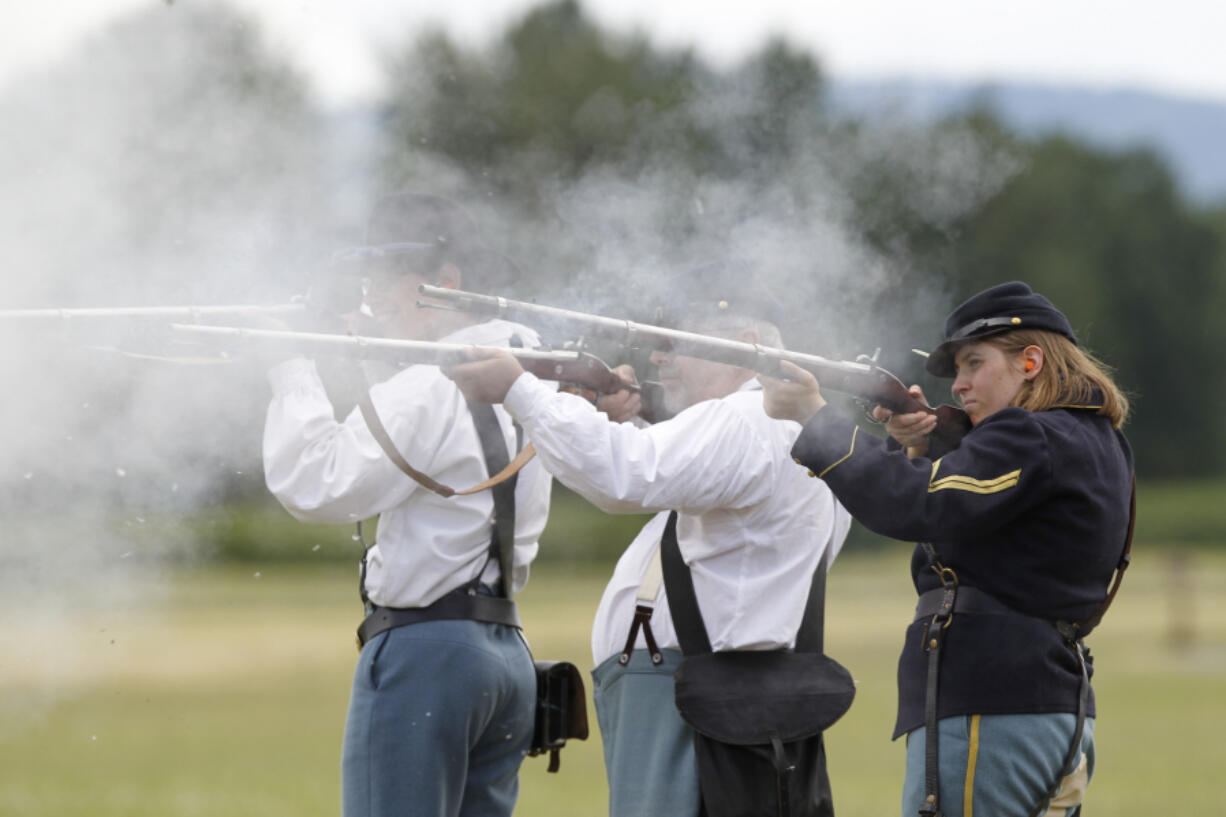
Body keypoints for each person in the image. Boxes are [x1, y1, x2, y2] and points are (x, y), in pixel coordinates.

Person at [444, 258, 853, 817]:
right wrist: (620, 421)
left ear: (747, 344)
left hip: (692, 697)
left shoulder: (744, 418)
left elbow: (628, 476)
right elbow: (696, 486)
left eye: (675, 342)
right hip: (711, 694)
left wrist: (522, 391)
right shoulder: (791, 428)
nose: (659, 359)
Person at [761, 281, 1134, 817]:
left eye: (974, 363)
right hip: (1048, 702)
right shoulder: (1094, 439)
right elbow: (989, 515)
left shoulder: (1032, 436)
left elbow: (916, 503)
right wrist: (922, 444)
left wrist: (817, 420)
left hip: (992, 708)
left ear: (1030, 361)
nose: (958, 385)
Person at [262, 192, 554, 817]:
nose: (372, 300)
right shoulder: (531, 365)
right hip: (505, 650)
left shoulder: (425, 385)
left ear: (443, 284)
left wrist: (292, 366)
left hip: (429, 653)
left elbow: (316, 481)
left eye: (382, 283)